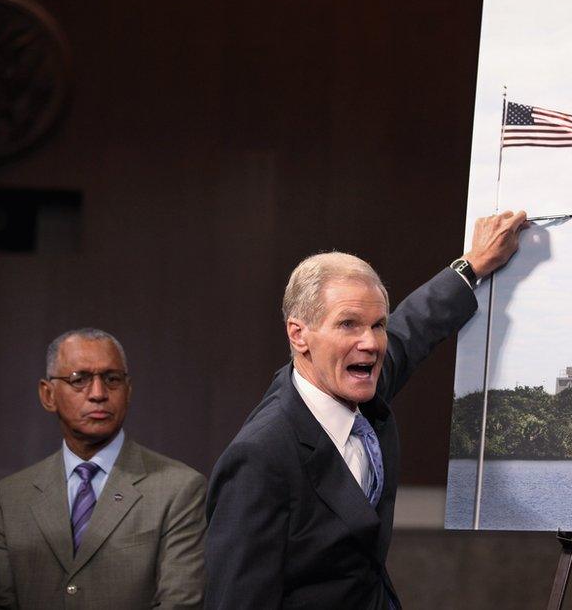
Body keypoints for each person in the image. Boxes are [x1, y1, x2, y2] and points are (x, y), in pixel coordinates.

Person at [205, 210, 528, 609]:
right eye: (349, 324)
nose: (373, 343)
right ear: (299, 334)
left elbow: (414, 328)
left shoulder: (355, 385)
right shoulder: (261, 455)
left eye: (377, 324)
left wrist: (472, 265)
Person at [0, 328, 207, 609]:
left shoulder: (179, 489)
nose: (98, 393)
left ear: (128, 390)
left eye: (112, 379)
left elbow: (180, 603)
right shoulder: (8, 498)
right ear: (48, 395)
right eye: (79, 379)